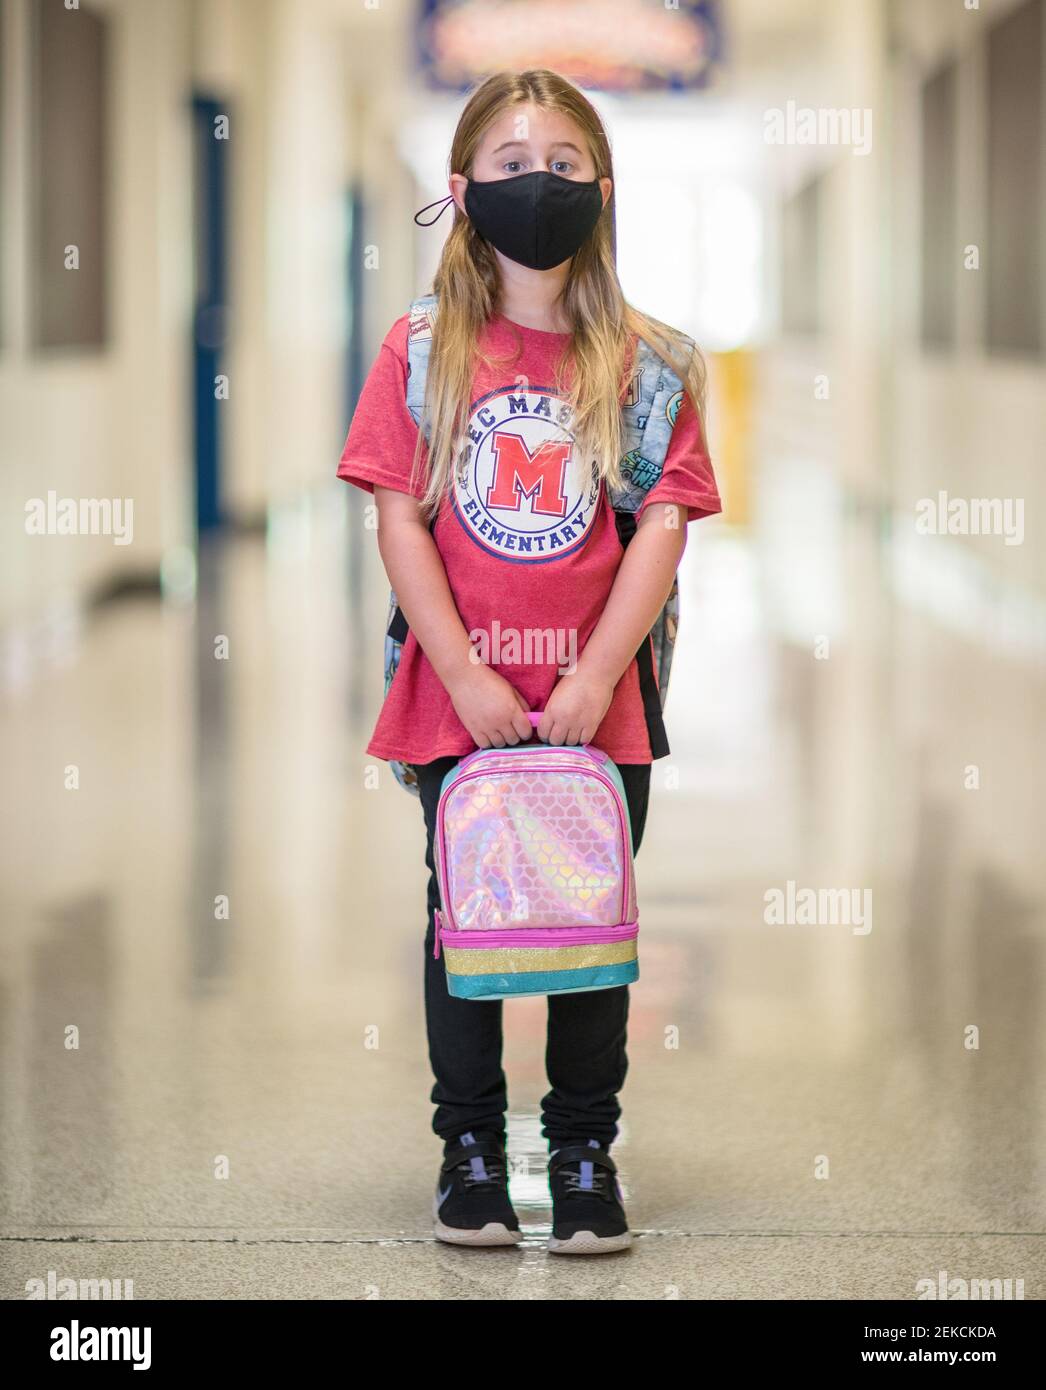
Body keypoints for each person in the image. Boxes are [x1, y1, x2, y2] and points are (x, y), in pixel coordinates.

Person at [337, 68, 721, 1255]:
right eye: (510, 165)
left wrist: (597, 677)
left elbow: (660, 521)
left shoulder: (650, 364)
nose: (536, 186)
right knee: (467, 911)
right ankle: (468, 1150)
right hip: (459, 695)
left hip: (599, 702)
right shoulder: (417, 350)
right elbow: (402, 517)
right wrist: (462, 672)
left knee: (589, 916)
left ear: (599, 190)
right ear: (460, 191)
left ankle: (582, 1148)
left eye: (561, 165)